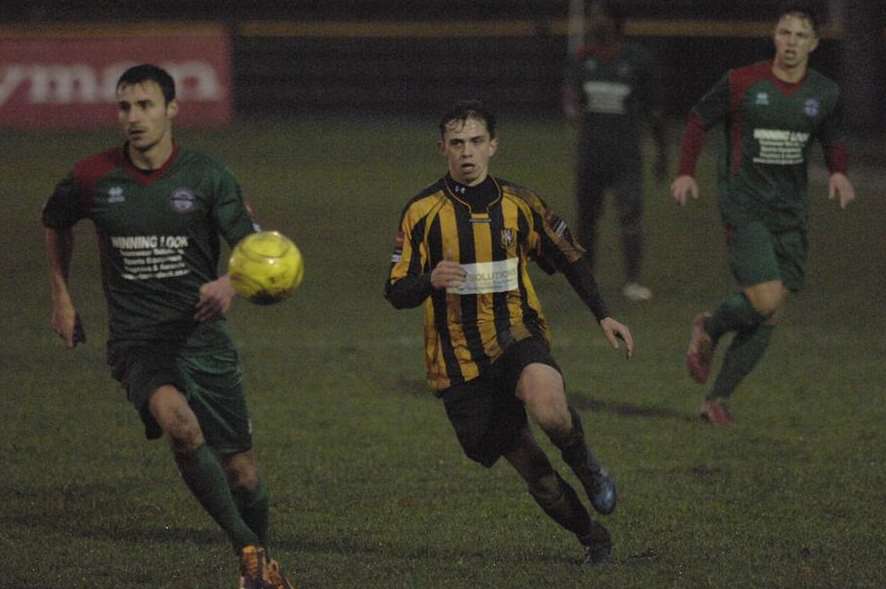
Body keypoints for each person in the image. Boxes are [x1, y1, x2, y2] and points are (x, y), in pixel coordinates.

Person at [42, 64, 295, 589]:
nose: (133, 118)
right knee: (180, 427)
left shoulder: (208, 176)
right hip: (140, 341)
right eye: (125, 107)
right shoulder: (92, 176)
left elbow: (256, 246)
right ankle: (246, 548)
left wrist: (230, 282)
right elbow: (56, 219)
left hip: (203, 339)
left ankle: (260, 568)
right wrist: (61, 295)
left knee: (244, 473)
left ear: (172, 110)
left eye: (145, 106)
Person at [385, 100, 634, 564]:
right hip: (457, 361)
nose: (467, 153)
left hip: (514, 331)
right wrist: (428, 280)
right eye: (457, 143)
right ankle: (591, 537)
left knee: (547, 403)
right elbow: (395, 290)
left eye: (477, 142)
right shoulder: (421, 212)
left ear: (493, 145)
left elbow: (570, 256)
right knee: (534, 471)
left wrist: (603, 313)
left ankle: (587, 466)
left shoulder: (521, 204)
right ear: (442, 148)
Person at [670, 2, 856, 425]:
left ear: (813, 43)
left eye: (799, 35)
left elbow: (833, 135)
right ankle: (710, 327)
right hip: (745, 203)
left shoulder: (824, 93)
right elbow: (699, 119)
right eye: (784, 33)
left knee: (770, 313)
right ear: (775, 37)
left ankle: (715, 399)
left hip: (790, 212)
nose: (790, 42)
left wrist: (839, 172)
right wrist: (685, 172)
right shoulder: (742, 82)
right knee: (766, 296)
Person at [563, 0, 667, 302]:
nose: (594, 22)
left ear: (615, 21)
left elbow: (655, 111)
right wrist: (571, 108)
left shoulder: (637, 60)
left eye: (600, 16)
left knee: (630, 214)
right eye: (593, 16)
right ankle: (587, 280)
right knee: (586, 219)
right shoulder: (582, 59)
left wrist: (661, 154)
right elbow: (571, 95)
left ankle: (633, 281)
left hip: (626, 156)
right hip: (591, 155)